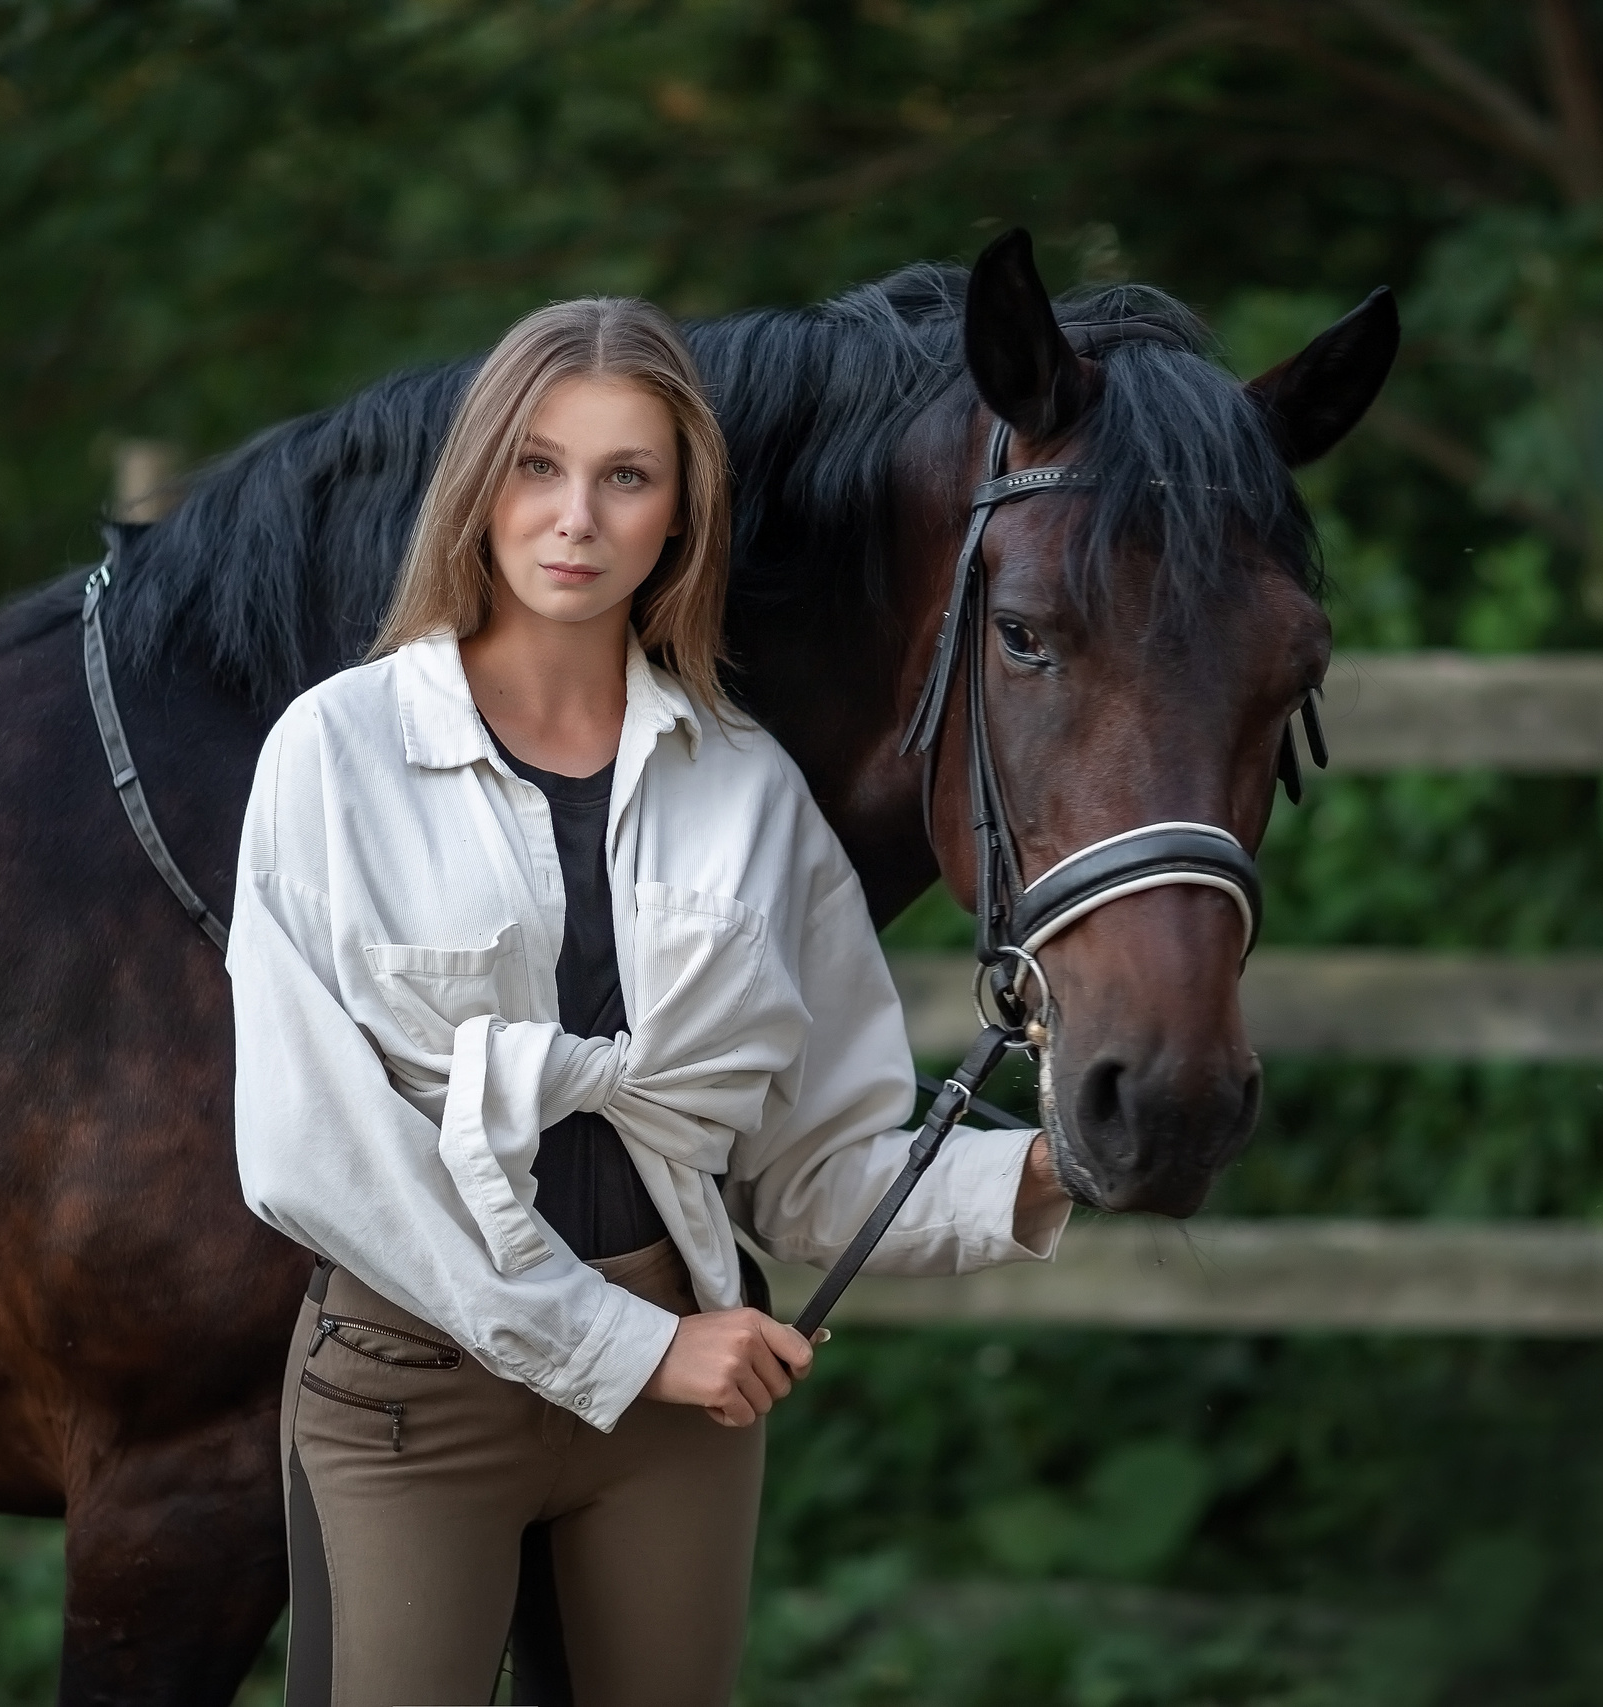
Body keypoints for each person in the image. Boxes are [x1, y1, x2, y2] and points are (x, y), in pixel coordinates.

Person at [228, 297, 1072, 1707]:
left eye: (627, 475)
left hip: (682, 1401)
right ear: (479, 484)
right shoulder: (335, 754)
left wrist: (1046, 1169)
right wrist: (633, 1350)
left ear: (682, 514)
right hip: (415, 1375)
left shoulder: (748, 790)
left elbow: (810, 1170)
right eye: (538, 466)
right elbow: (307, 1149)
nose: (577, 517)